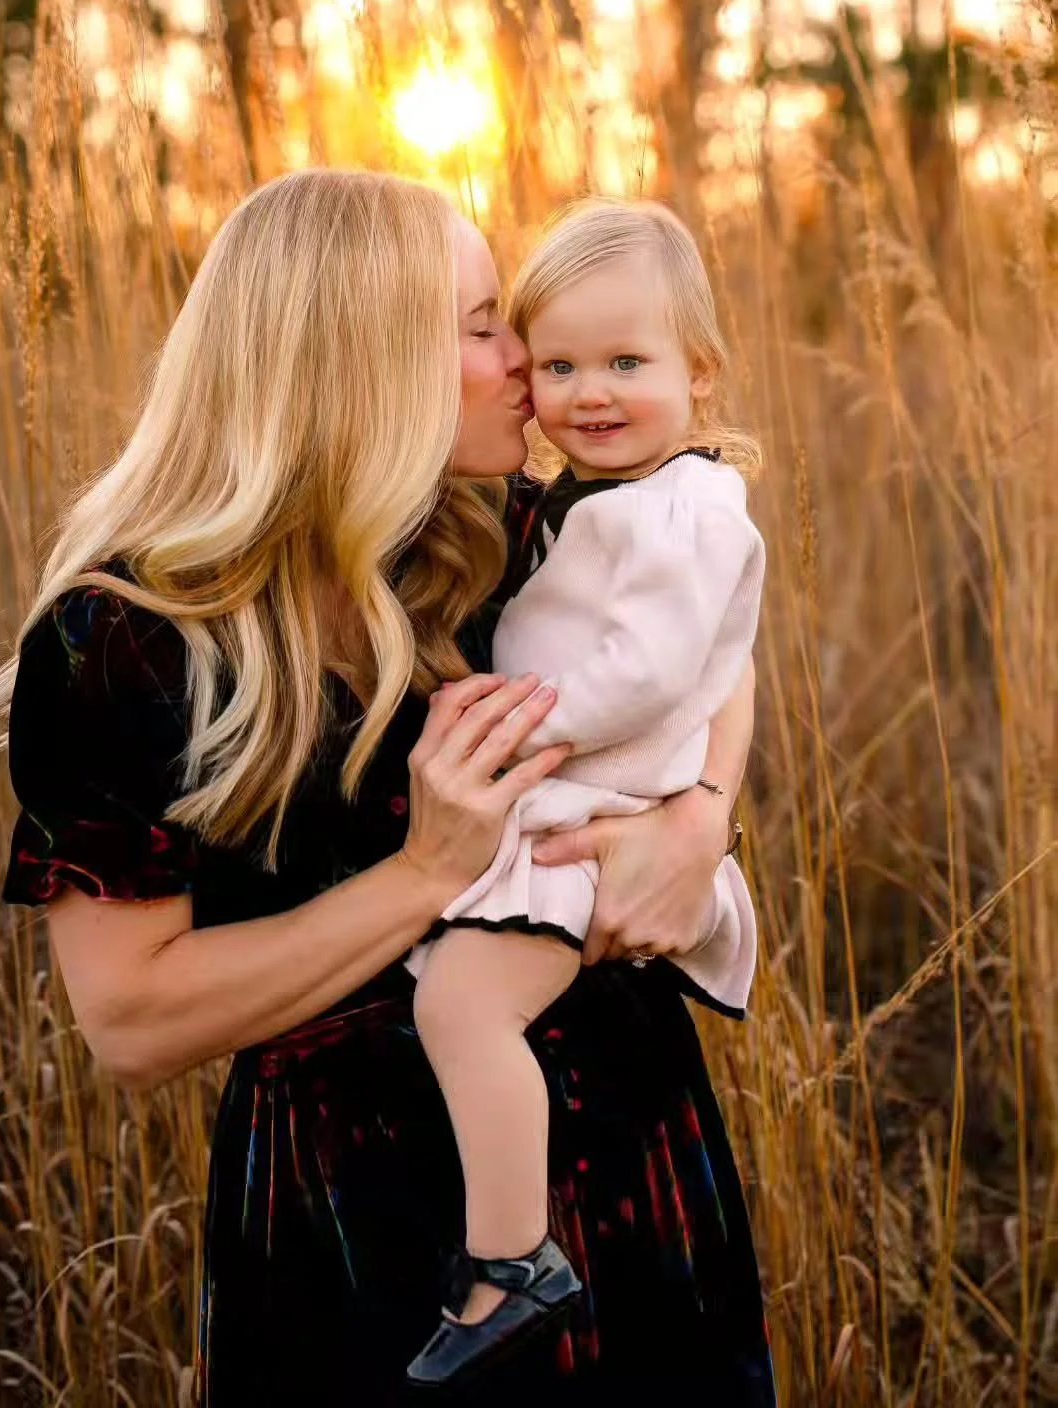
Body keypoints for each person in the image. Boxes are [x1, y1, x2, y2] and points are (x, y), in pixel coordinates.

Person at [0, 170, 776, 1405]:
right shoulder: (128, 640)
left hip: (633, 1149)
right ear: (359, 361)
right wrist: (427, 874)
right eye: (484, 324)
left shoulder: (493, 531)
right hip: (364, 1223)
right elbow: (131, 1022)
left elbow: (709, 631)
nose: (524, 360)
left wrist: (702, 816)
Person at [404, 199, 766, 1387]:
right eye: (556, 363)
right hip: (559, 802)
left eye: (625, 362)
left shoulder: (684, 509)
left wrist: (520, 732)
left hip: (575, 819)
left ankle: (509, 1260)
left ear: (699, 372)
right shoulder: (594, 496)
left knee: (463, 1008)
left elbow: (662, 669)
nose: (583, 391)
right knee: (452, 996)